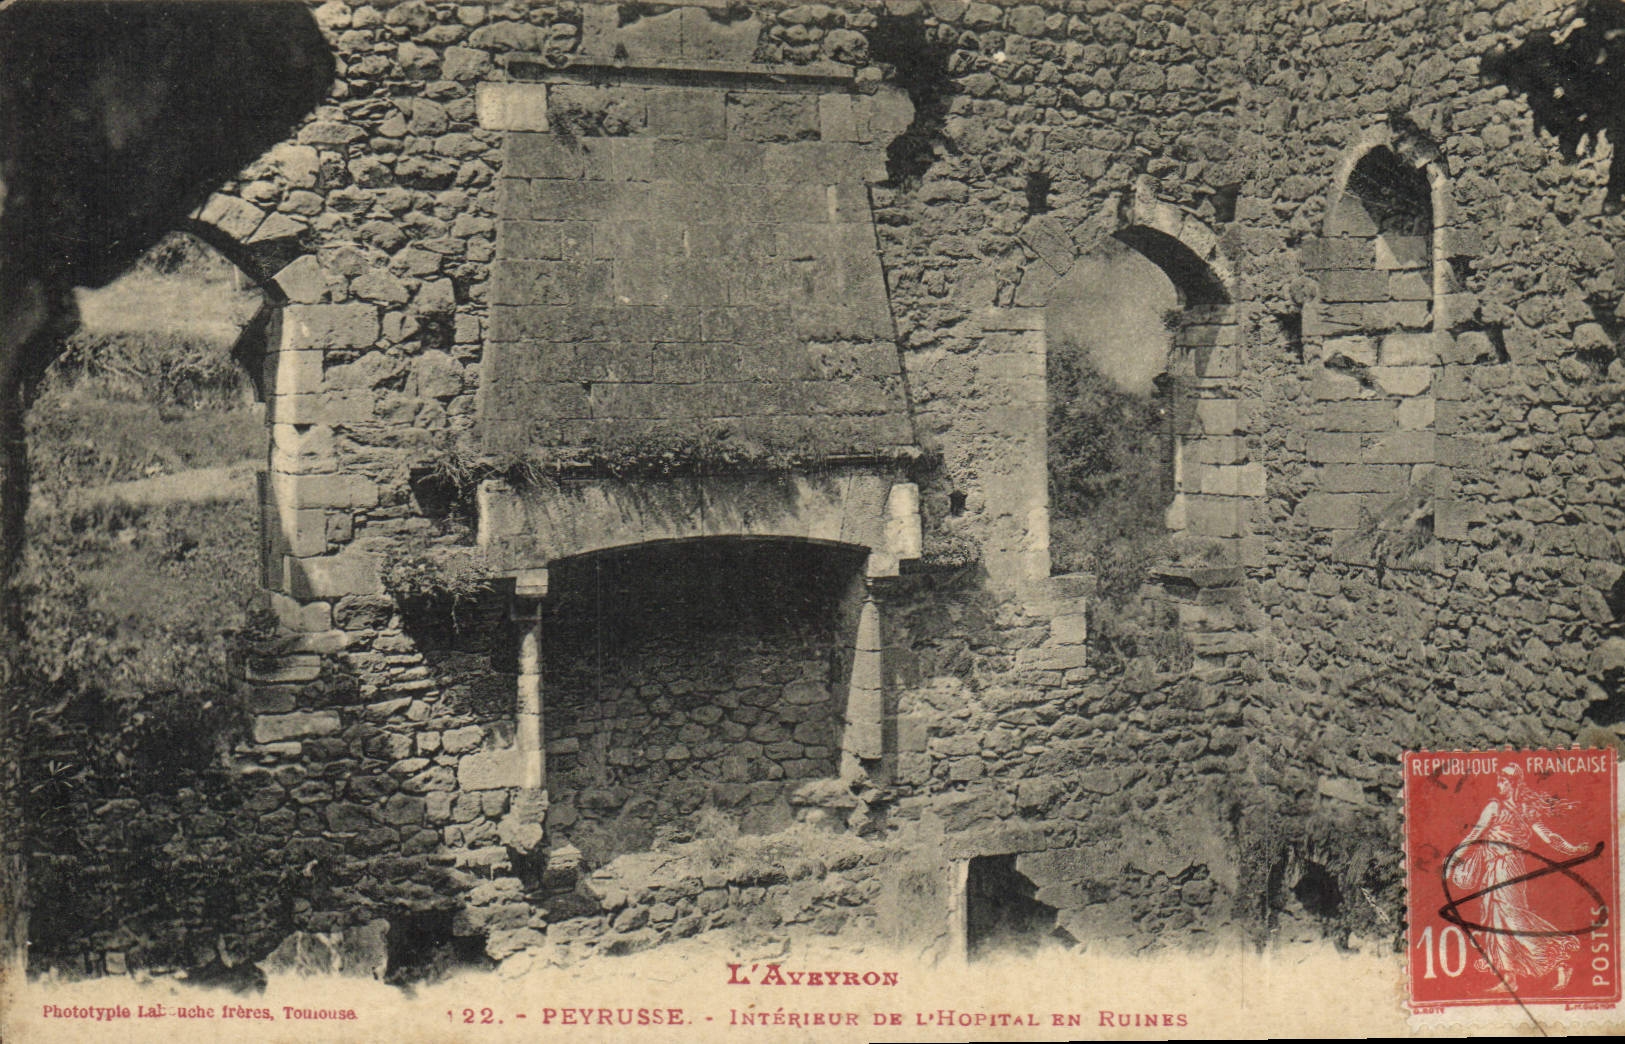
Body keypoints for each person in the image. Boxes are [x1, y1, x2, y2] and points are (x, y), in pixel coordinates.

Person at [1446, 764, 1587, 991]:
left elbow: (1548, 836)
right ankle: (1509, 978)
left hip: (1509, 867)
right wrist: (1453, 860)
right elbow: (1475, 835)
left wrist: (1573, 849)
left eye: (1502, 781)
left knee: (1514, 918)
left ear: (1512, 783)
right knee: (1497, 920)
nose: (1498, 785)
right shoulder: (1499, 807)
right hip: (1493, 869)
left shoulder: (1514, 809)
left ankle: (1560, 960)